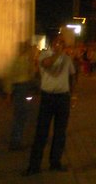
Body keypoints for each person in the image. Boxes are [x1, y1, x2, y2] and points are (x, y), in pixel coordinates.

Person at [25, 32, 77, 176]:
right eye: (57, 42)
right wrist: (57, 54)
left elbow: (72, 75)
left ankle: (55, 163)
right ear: (52, 44)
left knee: (60, 133)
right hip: (48, 98)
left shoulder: (67, 59)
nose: (59, 44)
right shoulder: (44, 56)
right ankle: (34, 166)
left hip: (63, 99)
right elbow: (47, 65)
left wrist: (72, 95)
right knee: (41, 133)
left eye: (62, 42)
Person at [5, 42, 38, 150]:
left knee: (19, 114)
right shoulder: (27, 60)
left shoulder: (15, 60)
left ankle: (16, 140)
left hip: (17, 88)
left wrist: (9, 93)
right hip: (23, 88)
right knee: (22, 115)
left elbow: (9, 77)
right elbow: (32, 74)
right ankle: (16, 141)